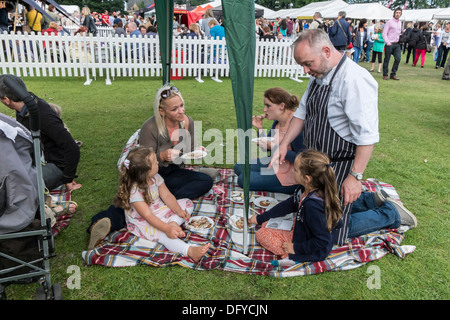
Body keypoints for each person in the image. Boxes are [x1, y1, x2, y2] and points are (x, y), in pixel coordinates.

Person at [269, 29, 379, 246]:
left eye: (308, 63)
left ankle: (389, 214)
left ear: (327, 51)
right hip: (314, 164)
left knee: (328, 232)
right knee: (308, 218)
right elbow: (301, 115)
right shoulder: (319, 75)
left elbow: (367, 137)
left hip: (338, 167)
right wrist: (283, 144)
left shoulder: (354, 80)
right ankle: (367, 200)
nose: (305, 70)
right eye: (302, 64)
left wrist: (355, 178)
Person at [250, 150, 416, 266]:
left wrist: (296, 248)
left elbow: (324, 240)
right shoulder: (305, 190)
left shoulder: (313, 207)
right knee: (266, 227)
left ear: (307, 178)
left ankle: (391, 214)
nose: (292, 171)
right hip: (305, 230)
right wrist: (261, 218)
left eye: (295, 170)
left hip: (311, 247)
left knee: (262, 234)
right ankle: (371, 201)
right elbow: (289, 204)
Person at [113, 146, 210, 262]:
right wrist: (166, 228)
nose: (158, 162)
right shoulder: (135, 191)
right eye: (155, 162)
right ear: (145, 172)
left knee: (187, 203)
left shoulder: (156, 177)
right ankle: (189, 250)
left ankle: (174, 222)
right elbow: (148, 216)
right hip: (144, 221)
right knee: (165, 235)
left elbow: (167, 196)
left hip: (159, 209)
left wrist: (178, 211)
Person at [0, 74, 81, 192]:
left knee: (17, 186)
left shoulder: (43, 116)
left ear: (7, 100)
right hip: (36, 160)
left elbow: (72, 148)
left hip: (55, 165)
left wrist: (68, 178)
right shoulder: (24, 106)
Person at [139, 85, 213, 200]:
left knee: (206, 181)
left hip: (175, 171)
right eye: (174, 109)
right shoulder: (149, 127)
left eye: (182, 105)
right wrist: (162, 156)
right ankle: (161, 197)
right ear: (161, 111)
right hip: (155, 174)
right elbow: (143, 163)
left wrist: (198, 151)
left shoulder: (188, 122)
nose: (181, 111)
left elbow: (190, 151)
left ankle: (163, 198)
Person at [234, 87, 305, 194]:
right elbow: (266, 147)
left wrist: (274, 147)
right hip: (274, 163)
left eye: (268, 105)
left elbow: (303, 160)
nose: (264, 109)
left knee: (243, 179)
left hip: (290, 173)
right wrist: (260, 128)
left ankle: (291, 187)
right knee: (239, 167)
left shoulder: (296, 125)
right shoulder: (277, 122)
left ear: (282, 106)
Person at [382, 8, 403, 80]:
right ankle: (385, 74)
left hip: (397, 44)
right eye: (396, 12)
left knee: (398, 59)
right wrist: (388, 42)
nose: (398, 14)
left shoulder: (400, 23)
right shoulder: (389, 22)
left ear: (401, 14)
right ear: (394, 13)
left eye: (399, 13)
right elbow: (384, 33)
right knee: (387, 59)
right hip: (390, 43)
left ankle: (393, 74)